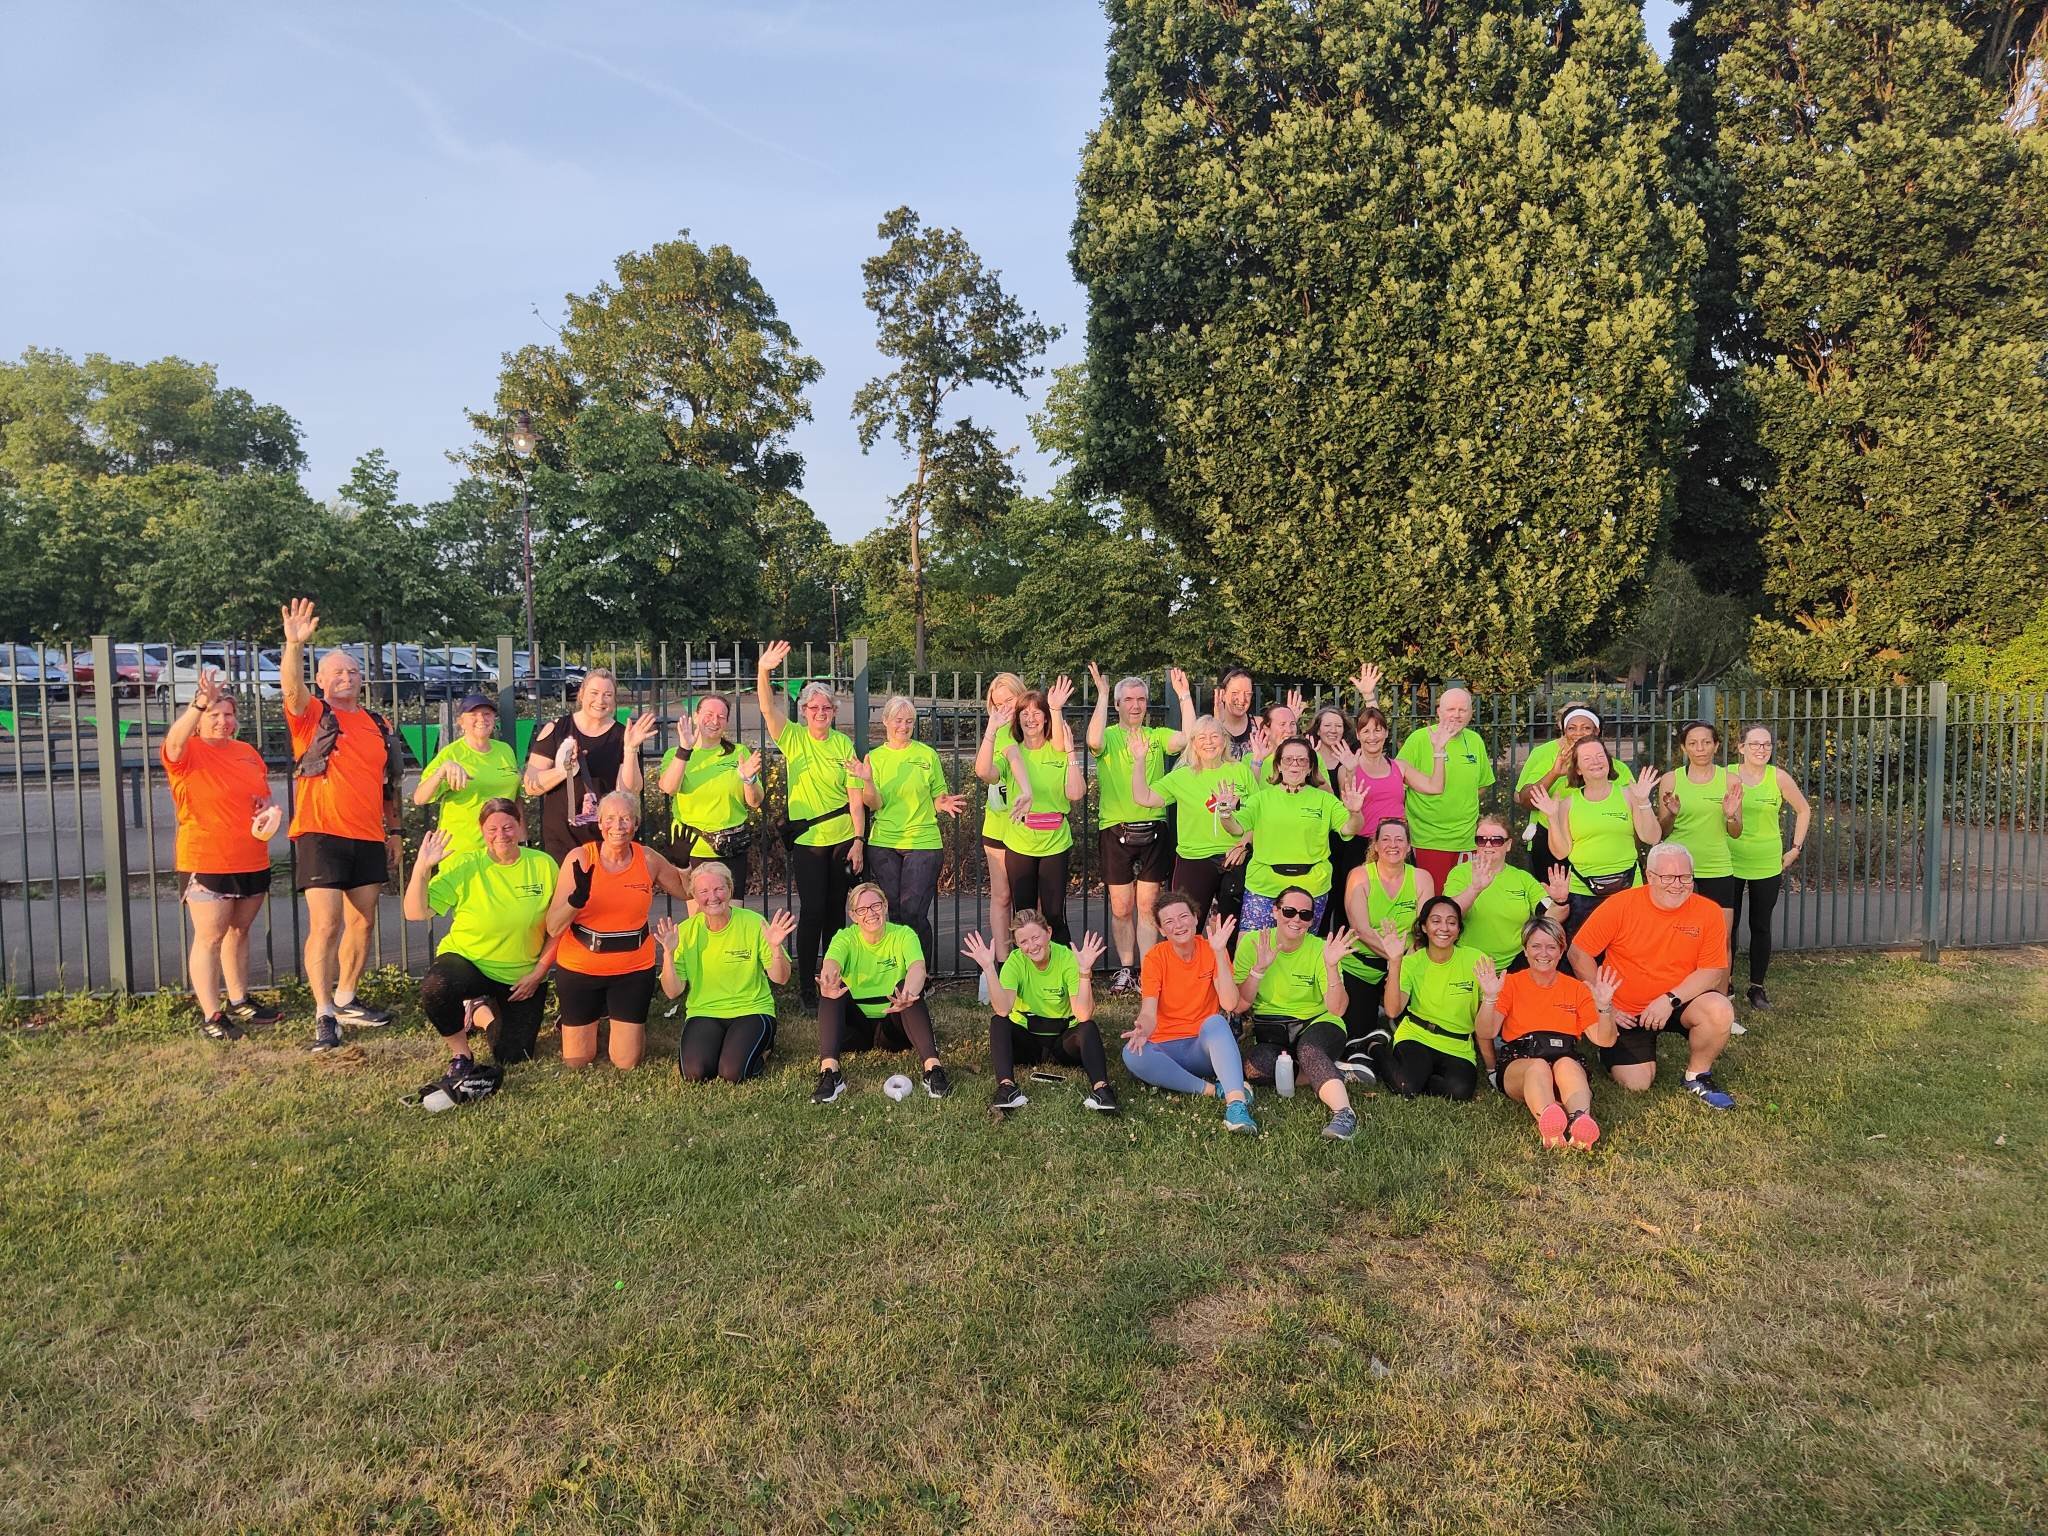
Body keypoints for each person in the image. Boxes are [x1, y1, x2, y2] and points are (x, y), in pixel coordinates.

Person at [280, 598, 405, 1051]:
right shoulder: (313, 716)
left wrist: (394, 831)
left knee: (363, 922)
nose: (346, 678)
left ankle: (347, 997)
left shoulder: (377, 721)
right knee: (327, 924)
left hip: (368, 835)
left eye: (352, 672)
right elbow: (291, 691)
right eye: (336, 673)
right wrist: (294, 645)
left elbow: (388, 783)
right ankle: (323, 1013)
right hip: (321, 832)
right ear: (322, 680)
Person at [1566, 842, 1738, 1108]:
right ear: (1650, 876)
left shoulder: (1709, 912)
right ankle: (1606, 1047)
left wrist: (1669, 999)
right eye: (1668, 877)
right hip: (1626, 1012)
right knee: (1637, 1083)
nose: (1677, 884)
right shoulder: (1621, 905)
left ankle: (1697, 1076)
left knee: (1719, 1010)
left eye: (1685, 877)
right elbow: (1578, 953)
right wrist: (1606, 1006)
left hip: (1677, 1002)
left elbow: (1712, 971)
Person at [161, 667, 283, 1039]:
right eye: (214, 715)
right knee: (210, 937)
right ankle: (212, 1015)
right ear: (199, 719)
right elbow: (174, 740)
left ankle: (239, 998)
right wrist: (200, 702)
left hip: (250, 854)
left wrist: (264, 806)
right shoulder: (186, 752)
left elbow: (258, 794)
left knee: (240, 931)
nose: (222, 721)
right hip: (206, 857)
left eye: (228, 714)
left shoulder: (247, 752)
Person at [404, 806, 558, 1082]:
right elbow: (415, 912)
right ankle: (461, 1053)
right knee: (436, 987)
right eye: (492, 829)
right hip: (468, 961)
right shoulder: (466, 865)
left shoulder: (544, 865)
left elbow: (557, 928)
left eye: (508, 827)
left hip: (519, 974)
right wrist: (422, 869)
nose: (501, 835)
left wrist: (538, 974)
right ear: (482, 832)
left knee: (513, 1055)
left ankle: (478, 1011)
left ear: (521, 827)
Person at [544, 791, 688, 1071]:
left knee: (626, 1061)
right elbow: (553, 925)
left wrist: (683, 864)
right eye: (610, 819)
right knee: (577, 1060)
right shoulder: (580, 858)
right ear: (600, 824)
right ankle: (586, 1019)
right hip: (581, 967)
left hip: (632, 968)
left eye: (625, 819)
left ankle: (624, 1022)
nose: (618, 826)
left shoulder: (648, 859)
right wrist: (576, 900)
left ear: (635, 824)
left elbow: (685, 891)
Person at [757, 640, 864, 1009]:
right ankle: (806, 989)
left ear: (834, 711)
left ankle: (831, 982)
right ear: (803, 711)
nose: (820, 712)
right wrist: (764, 670)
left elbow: (854, 796)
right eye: (813, 707)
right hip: (808, 840)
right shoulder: (794, 738)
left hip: (841, 837)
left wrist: (859, 839)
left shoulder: (843, 744)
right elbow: (768, 709)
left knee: (836, 913)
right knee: (813, 910)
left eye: (826, 707)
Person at [1086, 663, 1196, 993]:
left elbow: (1187, 737)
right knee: (1121, 906)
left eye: (1141, 700)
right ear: (1118, 705)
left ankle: (1148, 972)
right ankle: (1125, 968)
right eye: (1128, 700)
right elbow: (1091, 739)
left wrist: (1185, 695)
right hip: (1115, 828)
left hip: (1154, 828)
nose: (1135, 705)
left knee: (1148, 905)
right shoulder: (1107, 736)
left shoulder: (1155, 736)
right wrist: (1103, 694)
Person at [1475, 916, 1621, 1148]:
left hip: (1564, 1057)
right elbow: (1486, 1030)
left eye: (1551, 946)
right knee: (1538, 1067)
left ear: (1561, 951)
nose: (1543, 953)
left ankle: (1580, 1121)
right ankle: (1549, 1124)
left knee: (1567, 1065)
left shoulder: (1577, 989)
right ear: (1525, 950)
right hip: (1521, 1063)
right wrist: (1490, 997)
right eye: (1536, 946)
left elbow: (1604, 1040)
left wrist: (1604, 1008)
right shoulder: (1511, 983)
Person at [1232, 890, 1365, 1139]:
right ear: (1275, 911)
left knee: (1309, 1051)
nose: (1296, 919)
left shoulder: (1320, 949)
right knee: (1254, 1069)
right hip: (1274, 1030)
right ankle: (1333, 1072)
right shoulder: (1252, 943)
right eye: (1289, 911)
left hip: (1319, 1022)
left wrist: (1331, 966)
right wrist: (1258, 970)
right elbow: (1239, 1005)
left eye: (1305, 915)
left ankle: (1344, 1113)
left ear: (1312, 920)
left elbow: (1337, 1009)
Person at [1121, 894, 1257, 1132]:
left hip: (1202, 1049)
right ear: (1162, 930)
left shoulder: (1212, 949)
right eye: (1170, 921)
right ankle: (1213, 1090)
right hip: (1166, 1049)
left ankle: (1236, 1105)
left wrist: (1219, 953)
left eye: (1184, 916)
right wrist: (1142, 1028)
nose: (1179, 924)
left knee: (1216, 1022)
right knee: (1131, 1054)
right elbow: (1149, 1011)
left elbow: (1229, 1003)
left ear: (1196, 919)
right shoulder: (1155, 958)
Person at [850, 695, 967, 971]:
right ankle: (894, 971)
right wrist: (867, 780)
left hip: (923, 841)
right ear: (886, 721)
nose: (903, 726)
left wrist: (944, 802)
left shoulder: (927, 755)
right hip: (884, 843)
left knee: (913, 912)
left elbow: (937, 797)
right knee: (893, 912)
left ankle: (920, 975)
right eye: (898, 720)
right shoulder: (874, 759)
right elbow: (874, 804)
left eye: (909, 721)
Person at [653, 862, 796, 1084]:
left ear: (730, 890)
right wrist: (668, 955)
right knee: (695, 1074)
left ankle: (764, 1047)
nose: (713, 897)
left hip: (752, 1009)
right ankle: (726, 1046)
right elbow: (673, 992)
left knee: (732, 1073)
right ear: (694, 896)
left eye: (719, 889)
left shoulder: (753, 922)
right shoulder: (685, 931)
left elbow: (781, 978)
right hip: (705, 1011)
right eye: (704, 891)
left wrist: (776, 947)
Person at [810, 881, 951, 1102]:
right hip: (857, 1028)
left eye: (875, 906)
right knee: (831, 991)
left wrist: (908, 994)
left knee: (909, 989)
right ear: (853, 915)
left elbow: (917, 968)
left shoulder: (904, 934)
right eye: (862, 909)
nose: (871, 913)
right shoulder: (845, 937)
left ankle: (933, 1069)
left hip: (893, 1021)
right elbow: (832, 962)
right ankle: (830, 1073)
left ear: (885, 907)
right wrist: (828, 979)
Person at [964, 915, 1118, 1114]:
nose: (1031, 946)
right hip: (1028, 1043)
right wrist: (988, 968)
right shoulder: (1016, 961)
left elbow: (1083, 1014)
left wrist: (1084, 972)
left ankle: (1102, 1091)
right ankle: (1007, 1088)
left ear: (1049, 933)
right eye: (1023, 942)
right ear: (1017, 944)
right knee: (998, 1022)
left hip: (1063, 1043)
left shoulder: (1067, 958)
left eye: (1036, 937)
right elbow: (1003, 1009)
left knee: (1088, 1027)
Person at [1215, 735, 1365, 931]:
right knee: (1252, 949)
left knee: (1300, 950)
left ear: (1310, 767)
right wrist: (1225, 812)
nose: (1295, 764)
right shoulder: (1261, 799)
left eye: (1302, 760)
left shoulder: (1324, 800)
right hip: (1264, 886)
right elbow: (1235, 829)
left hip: (1311, 887)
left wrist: (1355, 812)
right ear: (1278, 765)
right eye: (1288, 759)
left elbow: (1350, 828)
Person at [1131, 714, 1257, 925]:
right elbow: (1143, 797)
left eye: (1214, 736)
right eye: (1202, 738)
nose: (1209, 742)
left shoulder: (1241, 771)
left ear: (1224, 740)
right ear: (1193, 744)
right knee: (1188, 925)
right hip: (1194, 860)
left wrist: (1244, 845)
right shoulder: (1182, 776)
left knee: (1233, 928)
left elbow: (1256, 815)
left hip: (1234, 858)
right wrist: (1140, 760)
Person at [1527, 742, 1663, 935]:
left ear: (1608, 761)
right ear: (1578, 769)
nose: (1596, 762)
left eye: (1600, 756)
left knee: (1630, 950)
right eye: (1587, 758)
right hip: (1582, 892)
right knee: (1582, 953)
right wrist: (1552, 817)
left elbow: (1652, 837)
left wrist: (1643, 801)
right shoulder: (1567, 804)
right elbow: (1560, 852)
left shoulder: (1629, 795)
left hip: (1628, 888)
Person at [523, 667, 656, 863]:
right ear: (582, 694)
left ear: (614, 700)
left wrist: (630, 749)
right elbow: (530, 786)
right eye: (594, 693)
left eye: (607, 695)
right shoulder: (556, 729)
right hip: (562, 842)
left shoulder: (624, 736)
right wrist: (563, 771)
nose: (600, 700)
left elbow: (629, 792)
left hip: (607, 843)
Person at [1336, 817, 1432, 1081]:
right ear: (1375, 845)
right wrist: (1392, 956)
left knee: (1414, 1033)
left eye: (1400, 839)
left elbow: (1423, 927)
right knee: (1355, 1030)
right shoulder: (1359, 876)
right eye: (1386, 839)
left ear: (1409, 847)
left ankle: (1391, 1020)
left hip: (1407, 961)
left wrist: (1402, 963)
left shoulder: (1422, 878)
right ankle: (1370, 1040)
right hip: (1363, 963)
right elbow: (1361, 928)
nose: (1393, 845)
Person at [1728, 723, 1812, 1009]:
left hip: (1767, 862)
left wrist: (1795, 848)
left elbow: (1803, 809)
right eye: (1754, 744)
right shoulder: (1726, 775)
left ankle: (1756, 988)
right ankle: (1723, 984)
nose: (1761, 749)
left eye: (1766, 745)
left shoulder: (1778, 777)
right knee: (1729, 926)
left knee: (1761, 926)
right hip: (1729, 860)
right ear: (1741, 748)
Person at [995, 680, 1085, 944]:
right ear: (1017, 719)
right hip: (1020, 842)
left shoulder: (1058, 749)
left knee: (1054, 914)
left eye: (1037, 713)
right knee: (1023, 915)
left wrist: (1070, 751)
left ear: (1046, 719)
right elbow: (986, 772)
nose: (1031, 719)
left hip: (1054, 843)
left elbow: (1076, 793)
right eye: (1025, 714)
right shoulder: (1012, 749)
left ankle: (1065, 971)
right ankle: (1025, 974)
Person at [655, 693, 763, 910]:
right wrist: (685, 750)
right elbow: (669, 788)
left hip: (730, 849)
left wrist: (748, 780)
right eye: (709, 714)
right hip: (693, 849)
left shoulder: (738, 753)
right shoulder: (676, 754)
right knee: (700, 918)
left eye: (721, 717)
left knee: (732, 918)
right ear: (696, 716)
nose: (714, 721)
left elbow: (755, 802)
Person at [1376, 895, 1485, 1100]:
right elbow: (1392, 1010)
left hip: (1457, 1044)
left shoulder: (1476, 960)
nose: (1444, 927)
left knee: (1460, 1092)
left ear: (1459, 929)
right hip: (1417, 1035)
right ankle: (1375, 1048)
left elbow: (1484, 1017)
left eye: (1451, 922)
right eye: (1435, 921)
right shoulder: (1412, 962)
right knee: (1405, 1086)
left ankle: (1421, 1076)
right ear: (1424, 927)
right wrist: (1395, 961)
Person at [1442, 814, 1571, 969]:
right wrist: (1475, 889)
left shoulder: (1522, 878)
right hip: (1468, 963)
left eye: (1496, 840)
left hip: (1515, 964)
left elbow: (1550, 917)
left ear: (1508, 844)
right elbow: (1448, 916)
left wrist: (1559, 901)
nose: (1488, 845)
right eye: (1481, 839)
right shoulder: (1460, 873)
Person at [1658, 721, 1745, 948]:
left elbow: (1736, 832)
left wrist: (1730, 815)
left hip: (1717, 865)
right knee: (1676, 935)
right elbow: (1661, 831)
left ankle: (1721, 984)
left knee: (1721, 937)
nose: (1700, 749)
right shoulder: (1671, 780)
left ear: (1716, 746)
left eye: (1706, 742)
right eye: (1693, 743)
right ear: (1684, 749)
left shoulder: (1731, 781)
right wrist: (1672, 815)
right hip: (1677, 867)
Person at [1514, 703, 1630, 870]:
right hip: (1552, 842)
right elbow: (1525, 801)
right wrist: (1554, 774)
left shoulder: (1617, 767)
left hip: (1599, 844)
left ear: (1597, 731)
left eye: (1586, 728)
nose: (1578, 733)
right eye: (1572, 728)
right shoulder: (1550, 762)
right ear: (1564, 732)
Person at [1394, 686, 1487, 890]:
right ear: (1439, 712)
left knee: (1464, 902)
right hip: (1429, 840)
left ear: (1471, 713)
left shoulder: (1475, 741)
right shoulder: (1419, 739)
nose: (1456, 715)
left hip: (1467, 840)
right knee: (1434, 904)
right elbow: (1396, 782)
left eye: (1462, 710)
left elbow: (1481, 787)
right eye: (1451, 709)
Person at [415, 693, 521, 859]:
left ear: (494, 719)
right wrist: (442, 771)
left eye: (487, 714)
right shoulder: (451, 754)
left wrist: (522, 839)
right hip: (462, 849)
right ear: (461, 722)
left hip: (501, 847)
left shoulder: (505, 750)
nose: (481, 719)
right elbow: (420, 798)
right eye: (473, 715)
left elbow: (515, 798)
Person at [974, 672, 1027, 967]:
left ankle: (1034, 955)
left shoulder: (1034, 728)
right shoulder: (994, 734)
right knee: (1002, 895)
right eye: (997, 703)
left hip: (1032, 827)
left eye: (1010, 699)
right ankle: (1004, 962)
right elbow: (986, 772)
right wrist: (992, 730)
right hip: (998, 824)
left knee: (1031, 897)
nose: (1005, 707)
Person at [1214, 667, 1257, 759]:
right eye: (1235, 692)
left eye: (1247, 693)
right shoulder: (1208, 728)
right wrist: (1218, 723)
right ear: (1223, 694)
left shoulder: (1260, 726)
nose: (1242, 699)